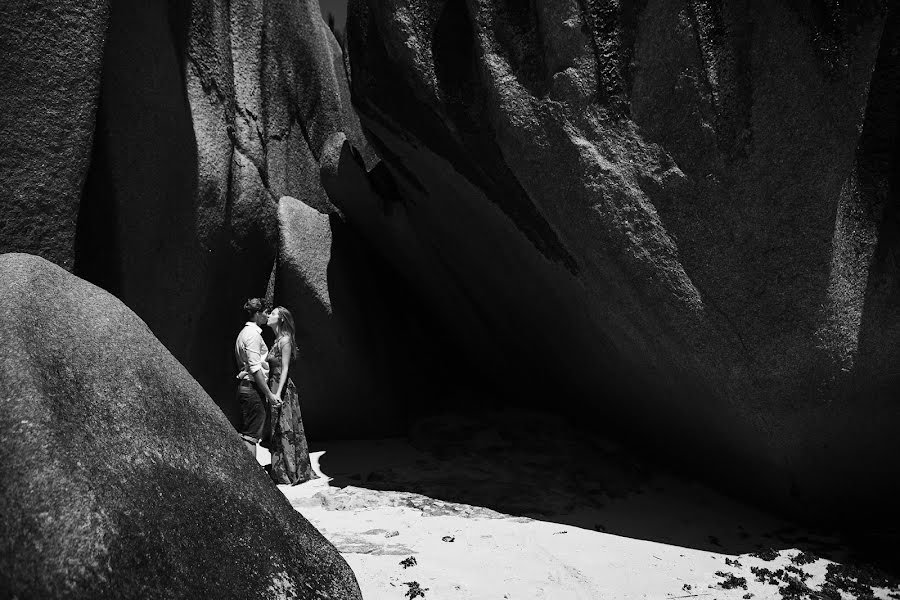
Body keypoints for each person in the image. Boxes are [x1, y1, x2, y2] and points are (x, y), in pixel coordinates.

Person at [265, 306, 314, 484]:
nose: (269, 316)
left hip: (282, 387)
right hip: (273, 385)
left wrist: (277, 392)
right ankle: (281, 470)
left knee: (286, 428)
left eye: (273, 314)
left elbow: (285, 368)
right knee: (277, 429)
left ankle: (291, 471)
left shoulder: (285, 340)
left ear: (281, 319)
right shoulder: (276, 340)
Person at [234, 298, 281, 458]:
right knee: (251, 435)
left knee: (249, 432)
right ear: (258, 314)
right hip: (252, 388)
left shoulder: (245, 333)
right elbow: (255, 369)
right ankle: (250, 478)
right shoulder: (253, 335)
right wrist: (269, 394)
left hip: (247, 387)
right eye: (266, 313)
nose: (268, 316)